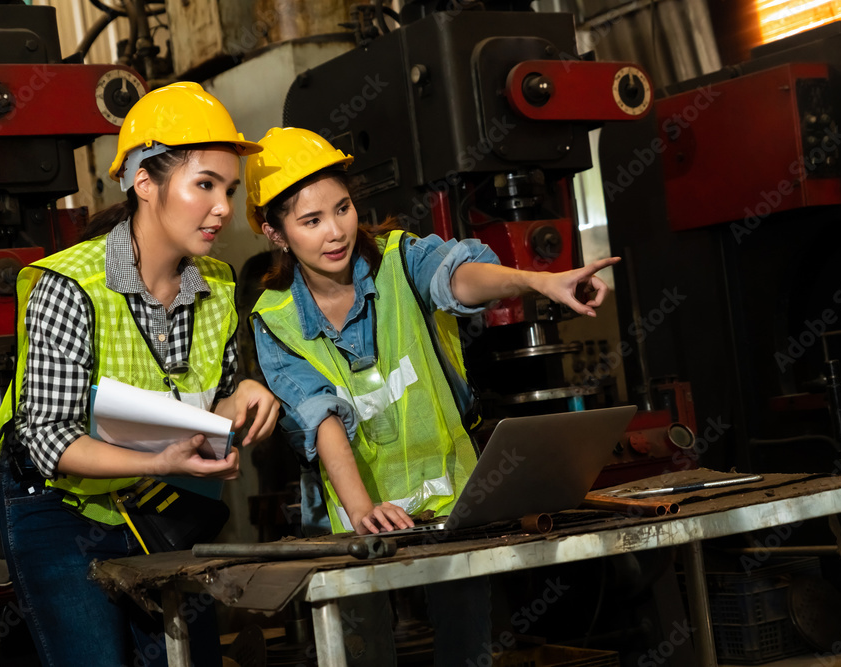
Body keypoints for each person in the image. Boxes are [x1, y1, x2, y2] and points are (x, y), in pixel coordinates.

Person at [245, 126, 618, 666]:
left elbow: (458, 277)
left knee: (467, 653)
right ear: (275, 234)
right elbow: (319, 414)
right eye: (311, 221)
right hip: (352, 523)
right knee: (361, 655)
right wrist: (362, 511)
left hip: (454, 505)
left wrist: (536, 282)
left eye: (343, 208)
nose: (336, 232)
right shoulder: (274, 321)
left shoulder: (400, 260)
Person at [0, 82, 280, 667]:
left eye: (229, 189)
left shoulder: (217, 283)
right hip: (57, 508)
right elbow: (48, 438)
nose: (222, 207)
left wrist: (239, 394)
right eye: (205, 185)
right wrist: (161, 460)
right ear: (145, 182)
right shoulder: (71, 286)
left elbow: (203, 400)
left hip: (156, 504)